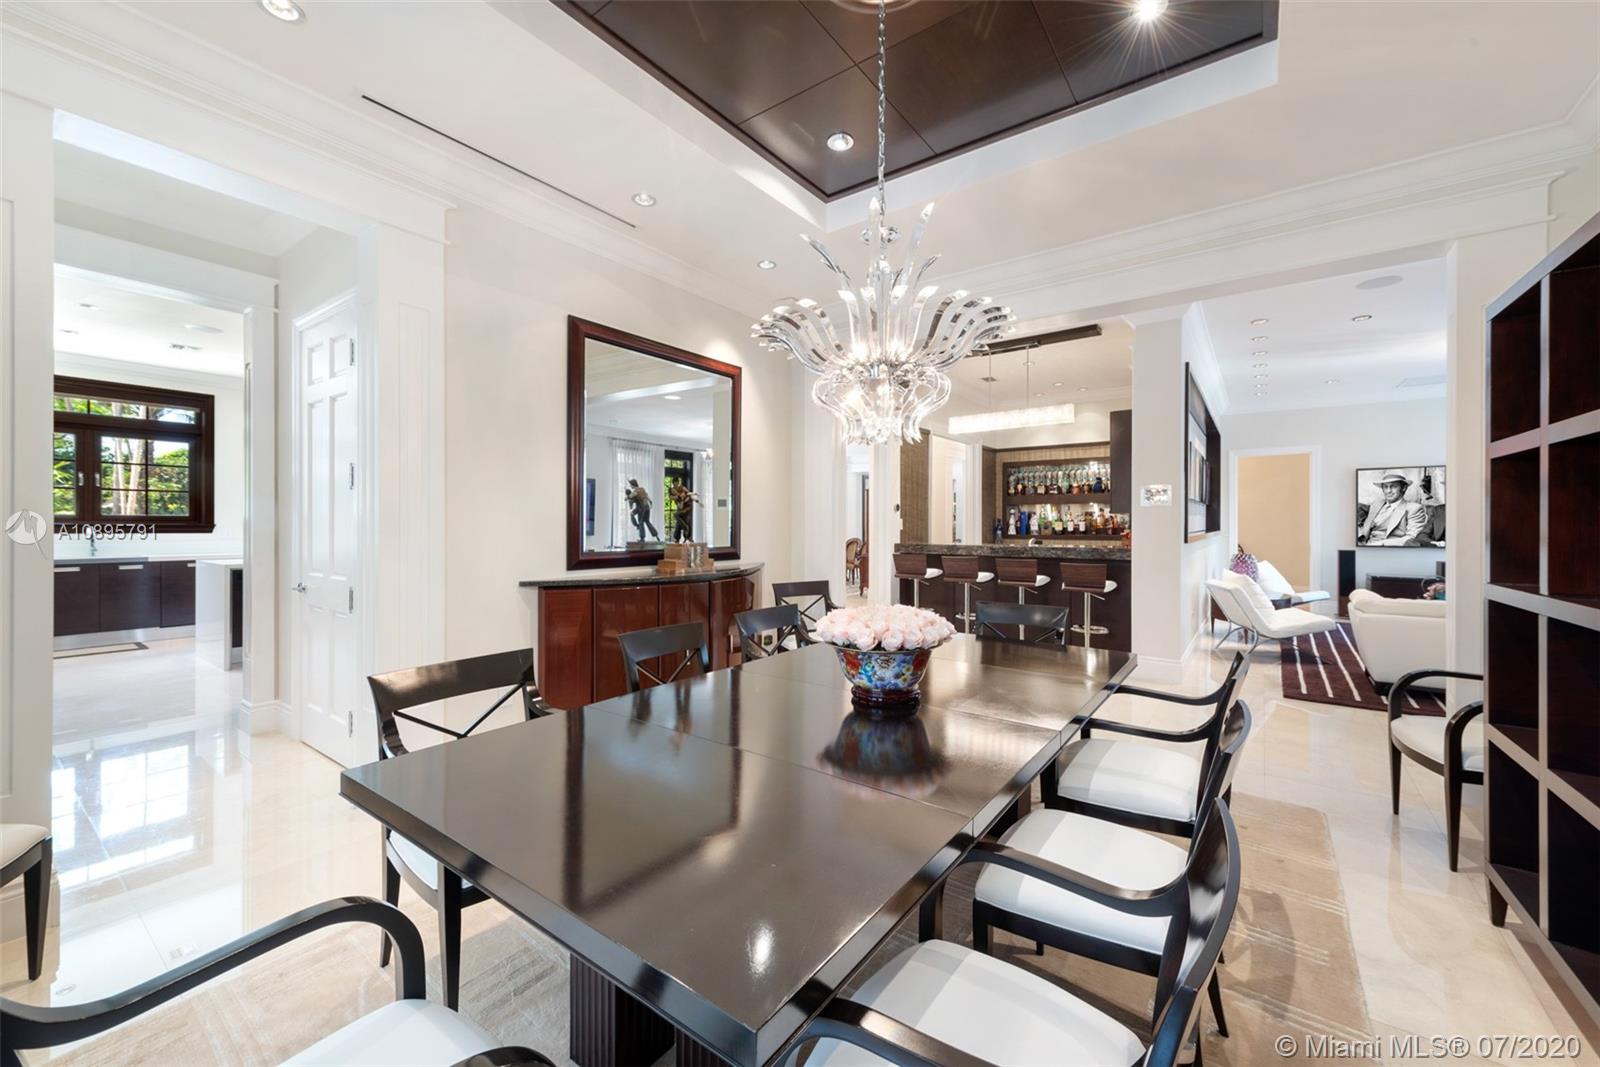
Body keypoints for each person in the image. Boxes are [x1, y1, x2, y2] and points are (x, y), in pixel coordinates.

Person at [1358, 470, 1426, 546]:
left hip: (1389, 549)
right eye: (1385, 487)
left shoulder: (1414, 508)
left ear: (1404, 488)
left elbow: (1412, 538)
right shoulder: (1376, 504)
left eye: (1393, 486)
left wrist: (1382, 543)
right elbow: (1365, 529)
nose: (1388, 491)